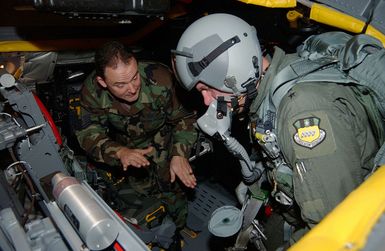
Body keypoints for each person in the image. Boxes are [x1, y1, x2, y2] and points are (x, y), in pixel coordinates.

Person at [172, 13, 380, 248]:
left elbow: (331, 226)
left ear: (237, 69)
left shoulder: (301, 112)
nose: (208, 101)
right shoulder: (274, 85)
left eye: (207, 89)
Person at [75, 41, 198, 233]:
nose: (132, 89)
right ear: (102, 82)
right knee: (142, 195)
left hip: (165, 140)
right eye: (120, 84)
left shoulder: (161, 78)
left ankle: (180, 230)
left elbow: (186, 117)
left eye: (134, 78)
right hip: (127, 148)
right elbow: (88, 133)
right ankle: (158, 232)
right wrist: (119, 152)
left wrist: (179, 153)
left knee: (175, 189)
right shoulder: (92, 92)